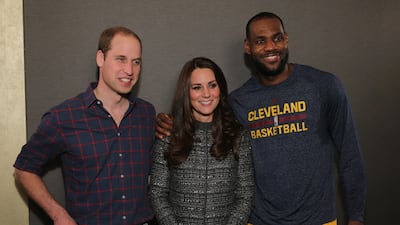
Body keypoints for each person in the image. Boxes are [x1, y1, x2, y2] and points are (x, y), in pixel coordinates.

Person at [155, 12, 366, 225]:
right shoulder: (238, 101)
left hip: (317, 219)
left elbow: (350, 155)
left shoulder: (324, 86)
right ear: (248, 47)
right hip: (260, 220)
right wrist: (172, 123)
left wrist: (356, 217)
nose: (270, 47)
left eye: (277, 38)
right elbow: (206, 120)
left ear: (286, 40)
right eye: (260, 41)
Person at [14, 26, 157, 225]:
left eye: (136, 62)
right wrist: (59, 215)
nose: (129, 70)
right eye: (120, 59)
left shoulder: (146, 114)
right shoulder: (64, 117)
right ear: (101, 58)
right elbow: (23, 169)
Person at [149, 57, 254, 225]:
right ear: (186, 92)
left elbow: (245, 194)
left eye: (212, 85)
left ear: (220, 88)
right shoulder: (168, 136)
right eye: (197, 87)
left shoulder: (238, 136)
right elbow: (157, 193)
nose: (206, 94)